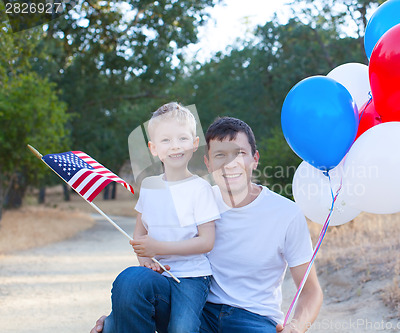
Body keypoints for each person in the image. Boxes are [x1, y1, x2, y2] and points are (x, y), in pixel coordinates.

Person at [92, 116, 323, 333]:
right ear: (208, 163)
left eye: (240, 153)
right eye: (220, 155)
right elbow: (150, 250)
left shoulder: (286, 213)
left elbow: (311, 291)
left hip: (253, 318)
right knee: (131, 280)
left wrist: (295, 326)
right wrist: (119, 319)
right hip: (196, 310)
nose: (230, 163)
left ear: (255, 159)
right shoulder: (194, 199)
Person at [101, 102, 220, 333]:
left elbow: (207, 241)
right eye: (166, 140)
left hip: (191, 277)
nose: (175, 146)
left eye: (182, 138)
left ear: (195, 143)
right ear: (153, 148)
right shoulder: (149, 186)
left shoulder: (199, 188)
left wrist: (159, 247)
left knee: (182, 328)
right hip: (159, 274)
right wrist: (144, 259)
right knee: (124, 307)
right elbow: (139, 231)